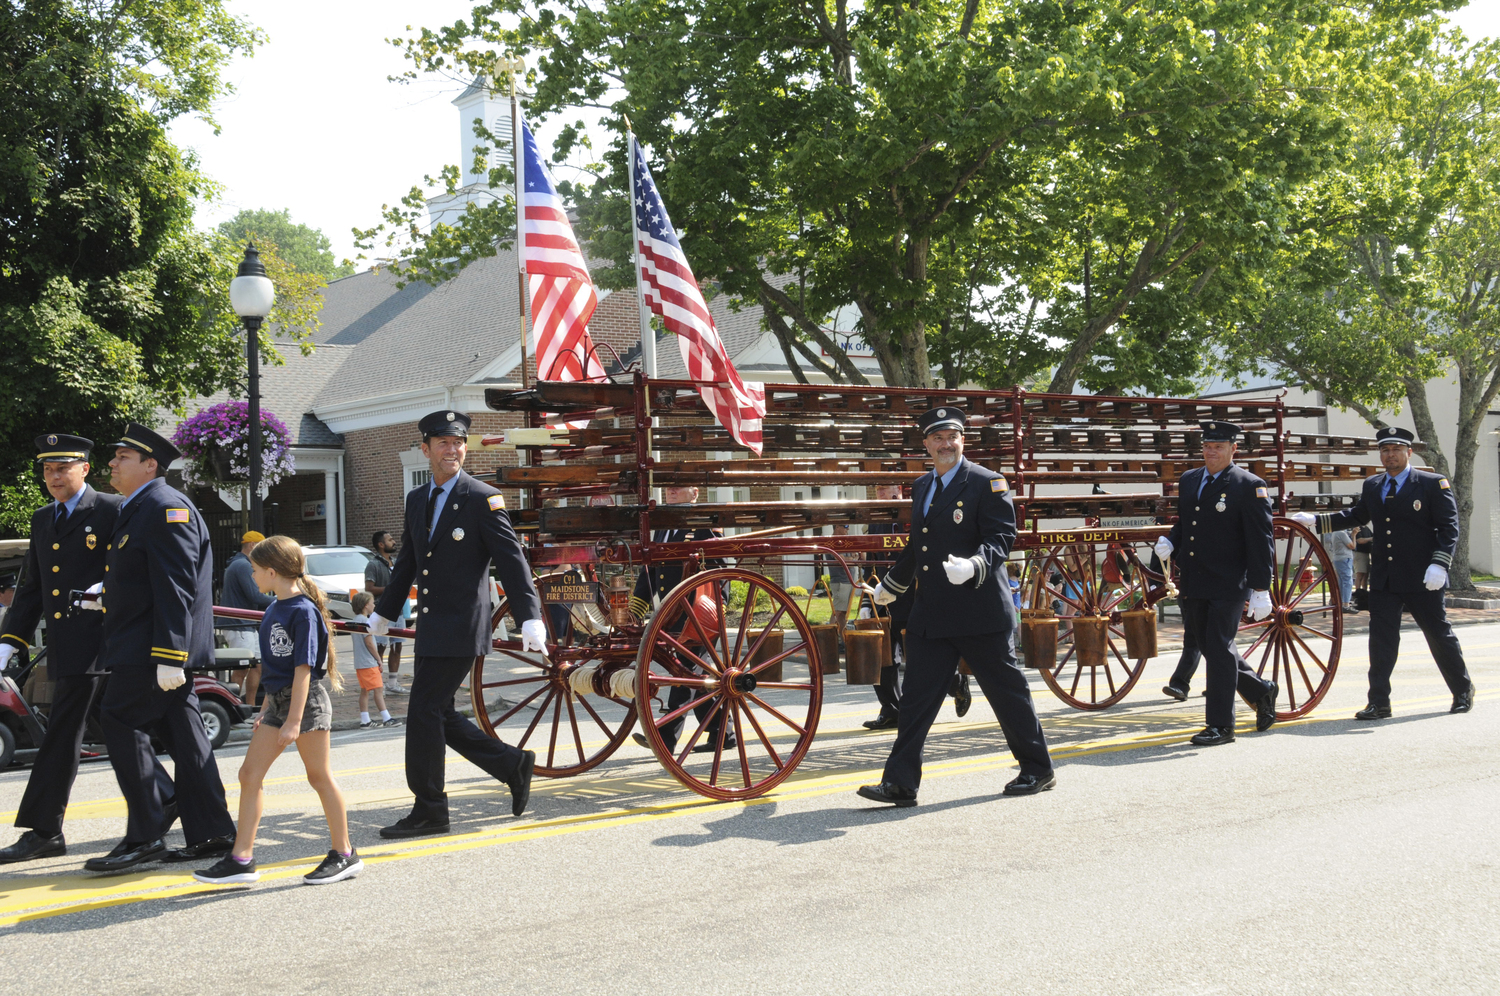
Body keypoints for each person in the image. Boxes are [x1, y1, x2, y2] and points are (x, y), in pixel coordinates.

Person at [860, 406, 1054, 806]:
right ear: (926, 444)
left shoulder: (988, 483)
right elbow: (919, 545)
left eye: (953, 437)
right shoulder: (921, 486)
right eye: (937, 438)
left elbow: (1002, 538)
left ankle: (1038, 768)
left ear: (962, 440)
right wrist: (891, 586)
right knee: (915, 699)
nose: (946, 444)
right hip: (932, 613)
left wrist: (975, 565)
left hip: (979, 609)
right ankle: (900, 783)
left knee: (1007, 694)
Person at [368, 410, 546, 838]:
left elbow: (512, 563)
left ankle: (430, 809)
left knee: (424, 712)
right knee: (439, 713)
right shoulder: (417, 499)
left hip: (464, 624)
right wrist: (383, 612)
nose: (452, 449)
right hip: (432, 625)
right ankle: (511, 764)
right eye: (443, 443)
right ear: (425, 450)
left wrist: (530, 618)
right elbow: (409, 561)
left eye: (458, 443)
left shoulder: (483, 498)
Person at [0, 434, 173, 865]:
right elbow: (32, 590)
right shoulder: (43, 519)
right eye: (46, 470)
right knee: (108, 728)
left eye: (62, 468)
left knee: (64, 733)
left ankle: (43, 830)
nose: (53, 477)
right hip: (68, 647)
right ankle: (170, 797)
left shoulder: (115, 510)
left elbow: (138, 568)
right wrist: (8, 644)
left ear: (83, 469)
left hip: (108, 643)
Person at [78, 423, 236, 872]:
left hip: (152, 651)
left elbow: (176, 586)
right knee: (187, 739)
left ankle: (148, 830)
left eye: (122, 457)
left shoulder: (165, 506)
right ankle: (212, 831)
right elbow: (145, 581)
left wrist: (170, 654)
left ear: (151, 465)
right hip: (145, 645)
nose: (112, 463)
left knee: (119, 718)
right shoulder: (140, 507)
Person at [194, 535, 360, 885]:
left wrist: (293, 722)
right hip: (279, 702)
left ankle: (345, 854)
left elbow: (303, 671)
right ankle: (241, 858)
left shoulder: (303, 612)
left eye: (255, 570)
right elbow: (274, 668)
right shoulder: (274, 608)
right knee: (249, 775)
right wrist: (267, 709)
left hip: (307, 704)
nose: (251, 575)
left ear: (271, 572)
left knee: (319, 777)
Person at [1292, 426, 1474, 718]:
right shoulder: (1374, 485)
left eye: (1396, 450)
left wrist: (1440, 563)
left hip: (1423, 576)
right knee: (1381, 642)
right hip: (1385, 577)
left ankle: (1462, 690)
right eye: (1385, 451)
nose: (1390, 456)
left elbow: (1449, 528)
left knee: (1438, 635)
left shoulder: (1431, 483)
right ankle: (1379, 702)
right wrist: (1316, 520)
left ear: (1409, 452)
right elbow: (1356, 515)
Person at [1153, 421, 1278, 747]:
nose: (1211, 452)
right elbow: (1187, 522)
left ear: (1233, 449)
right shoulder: (1190, 479)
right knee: (1209, 646)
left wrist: (1262, 587)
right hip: (1195, 579)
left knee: (1219, 648)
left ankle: (1221, 726)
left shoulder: (1248, 485)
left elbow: (1261, 540)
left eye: (1218, 447)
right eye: (1207, 446)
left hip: (1228, 582)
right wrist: (1171, 541)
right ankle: (1260, 689)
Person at [629, 485, 734, 753]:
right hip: (672, 614)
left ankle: (664, 739)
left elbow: (718, 567)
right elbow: (651, 572)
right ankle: (723, 733)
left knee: (684, 674)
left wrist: (715, 608)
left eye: (678, 488)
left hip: (697, 614)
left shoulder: (704, 522)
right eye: (669, 488)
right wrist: (636, 609)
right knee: (697, 675)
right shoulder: (664, 525)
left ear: (695, 492)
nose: (671, 492)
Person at [220, 529, 273, 706]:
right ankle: (234, 707)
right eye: (261, 548)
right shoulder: (243, 566)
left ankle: (248, 707)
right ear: (252, 545)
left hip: (245, 625)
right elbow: (255, 596)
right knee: (242, 668)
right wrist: (281, 598)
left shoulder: (238, 564)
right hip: (239, 625)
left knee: (257, 666)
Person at [365, 529, 406, 694]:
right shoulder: (373, 564)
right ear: (381, 545)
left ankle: (392, 683)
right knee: (380, 647)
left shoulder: (396, 562)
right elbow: (369, 588)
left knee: (397, 646)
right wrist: (391, 589)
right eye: (390, 540)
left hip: (399, 611)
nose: (394, 542)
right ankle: (378, 683)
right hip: (381, 611)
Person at [351, 591, 396, 728]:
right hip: (368, 662)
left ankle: (365, 719)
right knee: (378, 689)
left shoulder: (355, 620)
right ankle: (386, 717)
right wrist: (378, 659)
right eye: (372, 603)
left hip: (359, 662)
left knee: (365, 691)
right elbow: (369, 643)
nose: (374, 605)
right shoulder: (365, 622)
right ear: (366, 605)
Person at [1350, 524, 1373, 611]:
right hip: (1360, 553)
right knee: (1360, 573)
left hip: (1367, 553)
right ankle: (1358, 593)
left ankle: (1364, 592)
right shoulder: (1358, 528)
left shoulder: (1366, 528)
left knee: (1366, 574)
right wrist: (1371, 539)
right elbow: (1359, 540)